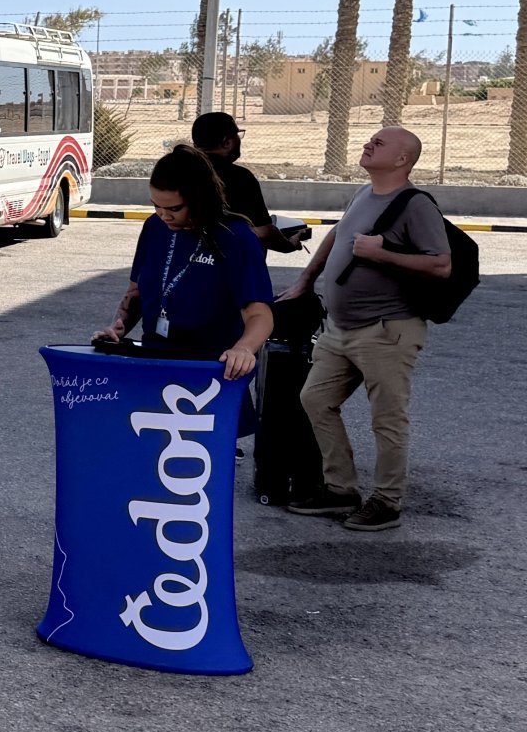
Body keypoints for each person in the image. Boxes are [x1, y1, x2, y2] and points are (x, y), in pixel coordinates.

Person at [281, 126, 453, 533]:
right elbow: (337, 236)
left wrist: (384, 253)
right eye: (370, 139)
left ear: (402, 159)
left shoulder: (415, 205)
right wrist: (306, 279)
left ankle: (387, 501)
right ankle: (340, 488)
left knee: (387, 419)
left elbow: (441, 264)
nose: (368, 144)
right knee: (315, 399)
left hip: (387, 330)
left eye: (380, 142)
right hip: (339, 329)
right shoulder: (363, 193)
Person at [94, 144, 276, 382]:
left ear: (200, 199)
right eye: (156, 205)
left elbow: (259, 314)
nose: (164, 215)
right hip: (153, 363)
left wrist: (243, 349)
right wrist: (118, 327)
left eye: (174, 208)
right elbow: (135, 292)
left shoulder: (235, 237)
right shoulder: (154, 227)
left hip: (211, 370)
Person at [190, 110, 297, 253]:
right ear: (227, 142)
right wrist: (290, 244)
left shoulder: (177, 171)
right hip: (231, 260)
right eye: (237, 135)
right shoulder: (241, 177)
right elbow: (263, 232)